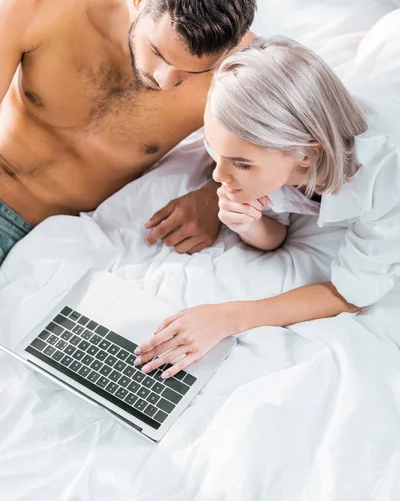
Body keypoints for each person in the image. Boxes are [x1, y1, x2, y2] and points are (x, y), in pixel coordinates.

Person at [134, 36, 400, 380]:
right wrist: (249, 224)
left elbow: (351, 295)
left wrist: (228, 317)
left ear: (306, 155)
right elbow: (276, 236)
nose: (217, 175)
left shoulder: (383, 179)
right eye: (216, 151)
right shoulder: (270, 149)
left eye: (241, 164)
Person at [0, 0, 260, 265]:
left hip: (57, 241)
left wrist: (213, 199)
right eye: (158, 53)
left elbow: (283, 154)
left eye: (190, 73)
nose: (165, 82)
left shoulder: (239, 73)